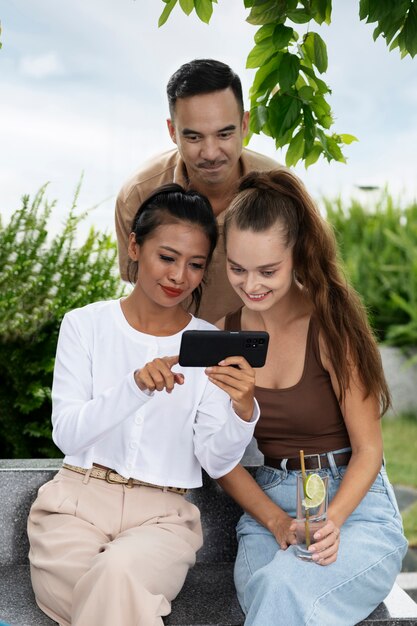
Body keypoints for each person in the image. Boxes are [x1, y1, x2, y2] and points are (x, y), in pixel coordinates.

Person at [27, 184, 260, 626]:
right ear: (135, 246)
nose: (179, 276)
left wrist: (242, 409)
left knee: (115, 579)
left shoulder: (209, 343)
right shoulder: (85, 325)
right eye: (167, 257)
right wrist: (133, 387)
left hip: (163, 520)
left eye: (195, 265)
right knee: (119, 599)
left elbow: (215, 457)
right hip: (72, 508)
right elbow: (68, 434)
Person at [214, 169, 408, 625]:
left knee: (281, 588)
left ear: (297, 254)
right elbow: (217, 456)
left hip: (354, 508)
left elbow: (369, 450)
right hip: (269, 513)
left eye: (268, 270)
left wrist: (332, 521)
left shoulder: (331, 325)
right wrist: (277, 521)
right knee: (275, 587)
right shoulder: (226, 334)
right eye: (237, 268)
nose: (252, 284)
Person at [115, 58, 279, 323]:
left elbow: (308, 285)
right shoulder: (138, 194)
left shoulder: (281, 191)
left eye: (224, 134)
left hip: (260, 349)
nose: (211, 153)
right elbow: (139, 287)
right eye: (194, 137)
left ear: (245, 125)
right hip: (171, 351)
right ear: (172, 131)